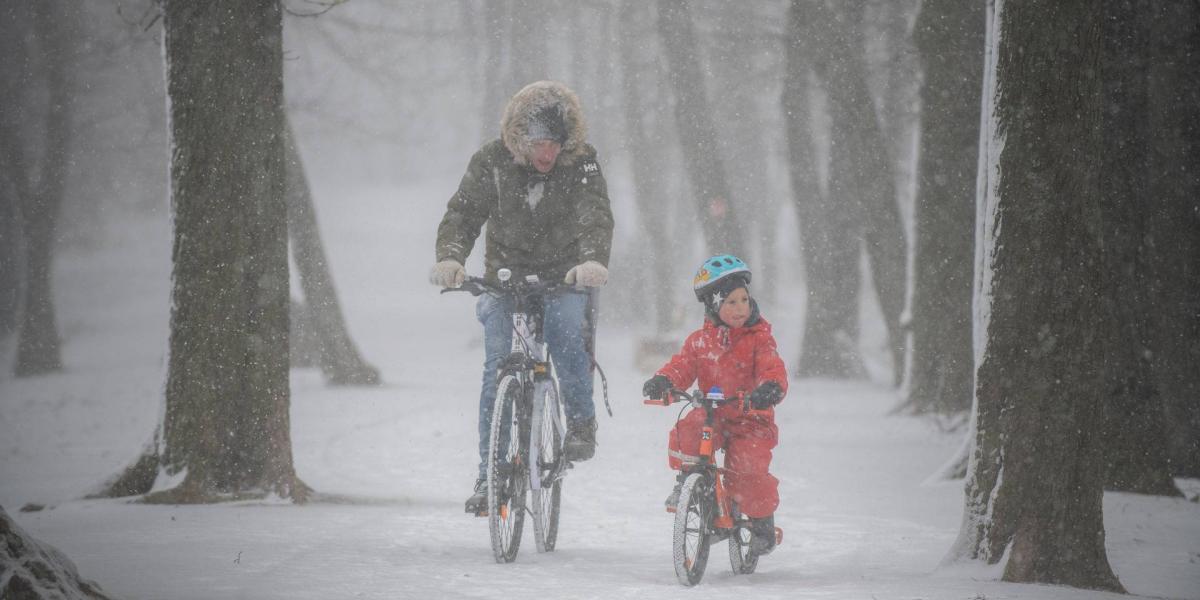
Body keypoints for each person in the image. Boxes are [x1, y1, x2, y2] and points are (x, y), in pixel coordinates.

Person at [430, 81, 614, 515]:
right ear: (519, 139)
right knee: (496, 365)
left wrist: (591, 261)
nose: (546, 154)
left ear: (565, 141)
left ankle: (581, 424)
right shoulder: (492, 162)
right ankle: (489, 473)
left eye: (553, 143)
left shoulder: (582, 164)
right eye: (537, 143)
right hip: (505, 280)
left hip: (564, 277)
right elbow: (463, 213)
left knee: (567, 330)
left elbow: (595, 215)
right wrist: (451, 258)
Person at [642, 255, 787, 555]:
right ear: (713, 306)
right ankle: (691, 482)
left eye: (744, 300)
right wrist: (665, 380)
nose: (739, 308)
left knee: (749, 469)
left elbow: (772, 368)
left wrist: (769, 388)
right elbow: (682, 366)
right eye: (730, 302)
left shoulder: (760, 339)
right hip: (714, 414)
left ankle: (761, 522)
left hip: (751, 417)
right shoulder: (699, 342)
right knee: (688, 428)